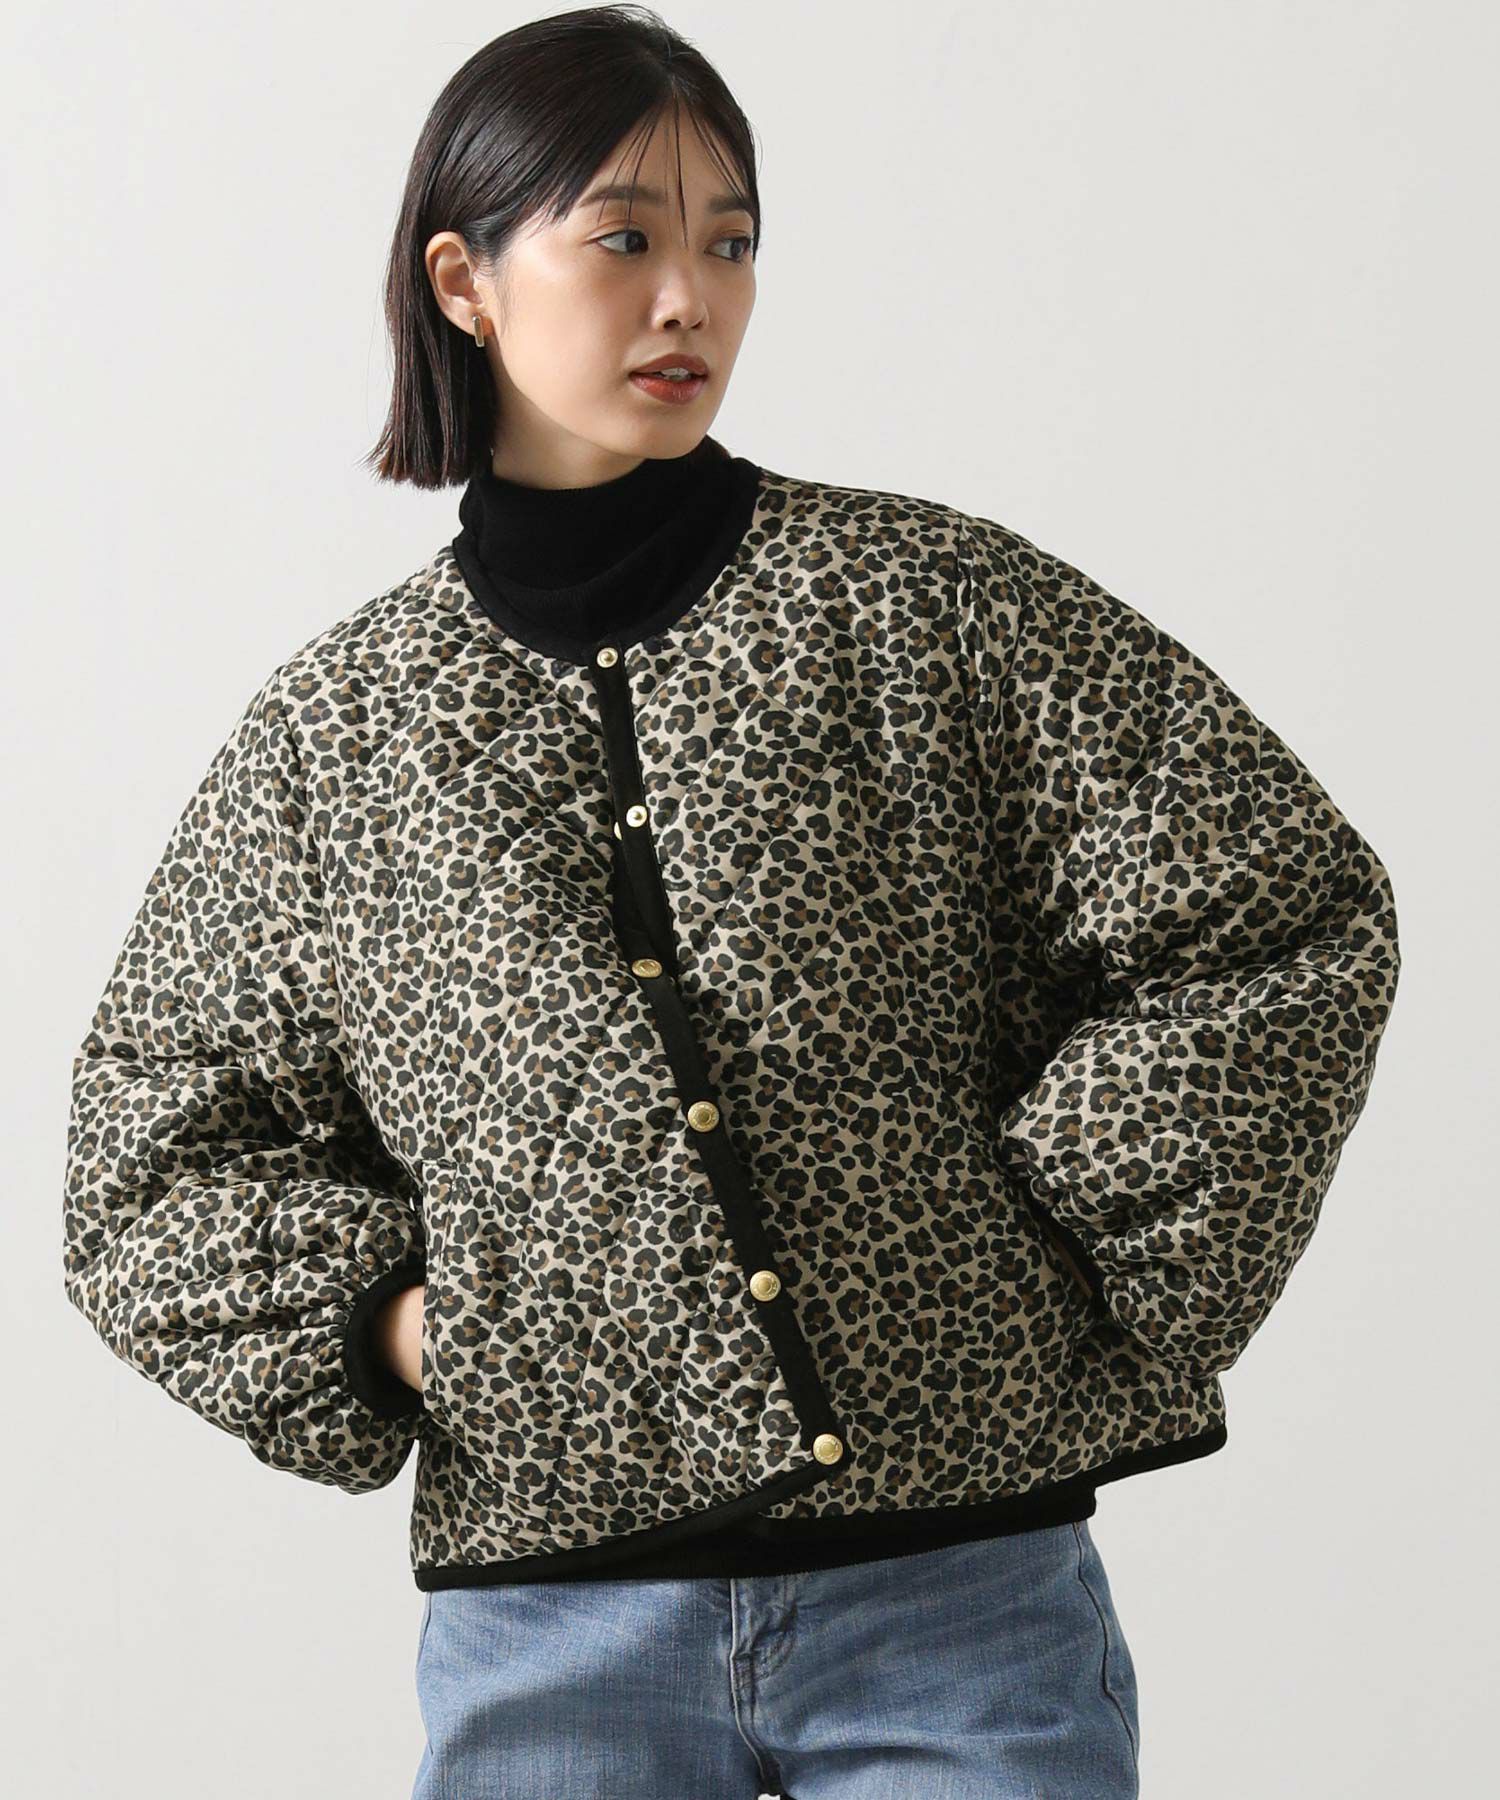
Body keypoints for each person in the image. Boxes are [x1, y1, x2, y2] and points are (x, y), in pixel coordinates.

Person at [61, 8, 1402, 1799]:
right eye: (623, 239)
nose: (687, 297)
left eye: (731, 241)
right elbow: (148, 1166)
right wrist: (406, 1323)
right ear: (464, 282)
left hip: (958, 1597)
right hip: (554, 1623)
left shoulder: (926, 606)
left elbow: (1276, 909)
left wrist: (1042, 1244)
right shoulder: (338, 739)